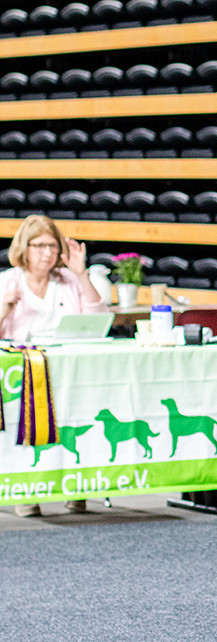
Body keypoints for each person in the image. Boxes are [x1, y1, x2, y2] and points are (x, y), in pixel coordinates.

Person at [1, 214, 106, 517]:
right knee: (27, 426)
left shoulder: (69, 280)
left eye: (52, 246)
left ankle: (76, 487)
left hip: (68, 365)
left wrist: (82, 274)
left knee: (74, 427)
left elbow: (97, 317)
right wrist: (4, 309)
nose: (47, 252)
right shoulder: (7, 281)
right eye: (39, 246)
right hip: (23, 370)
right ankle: (27, 491)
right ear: (24, 247)